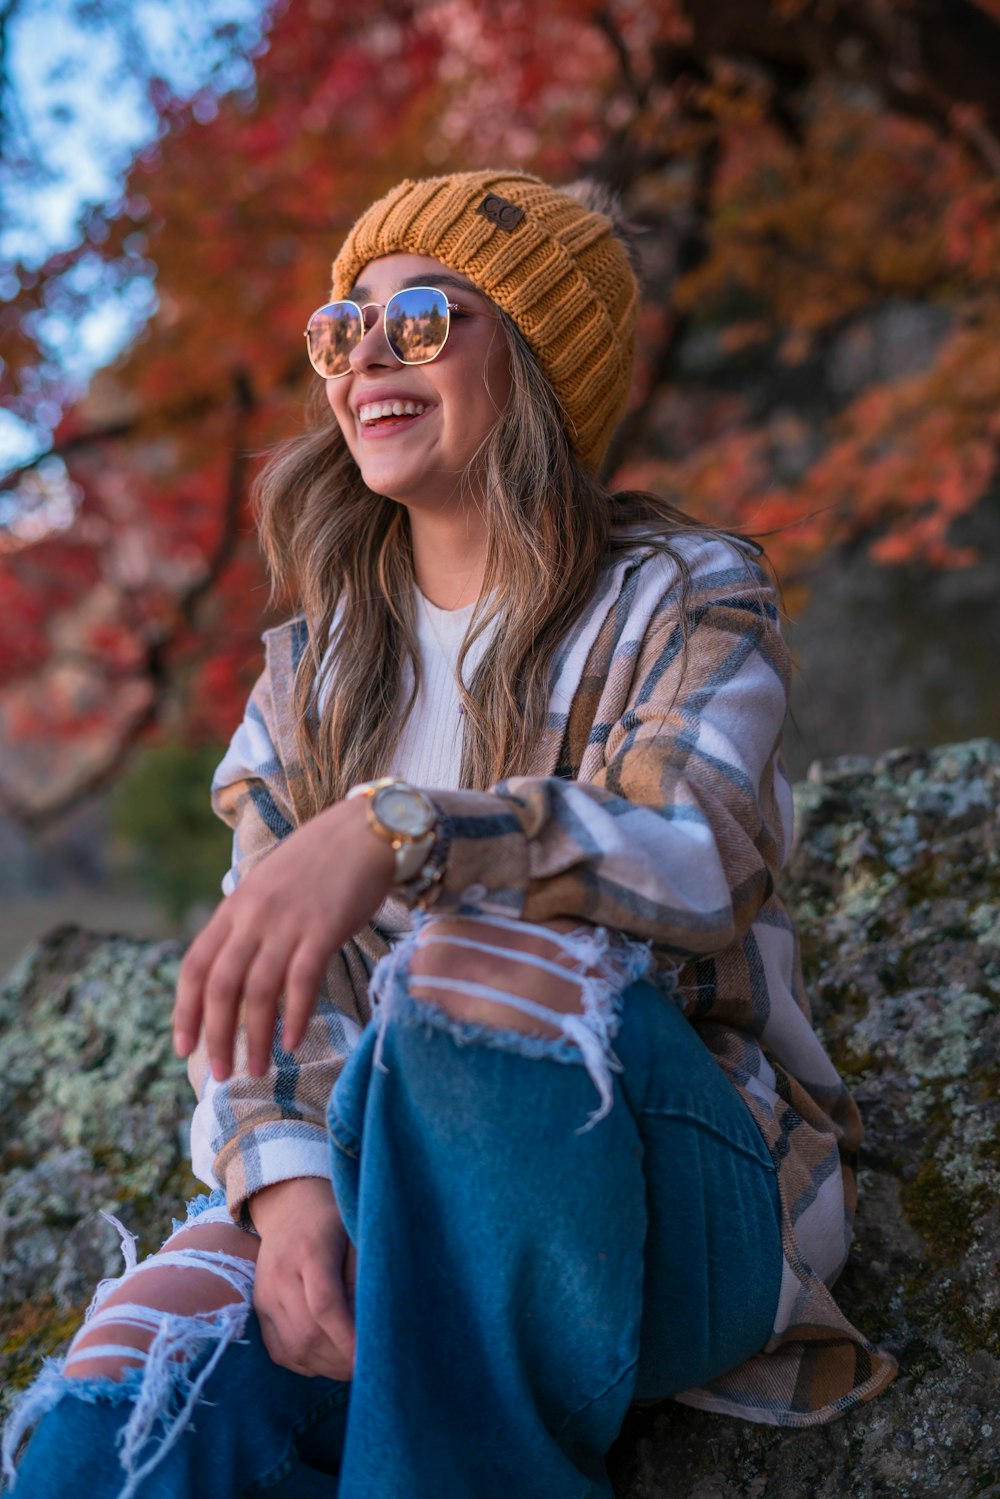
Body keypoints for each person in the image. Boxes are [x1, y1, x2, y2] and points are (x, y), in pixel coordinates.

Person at [2, 170, 896, 1499]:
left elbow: (694, 846)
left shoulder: (684, 592)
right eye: (339, 327)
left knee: (469, 958)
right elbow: (261, 989)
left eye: (421, 318)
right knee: (125, 1403)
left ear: (531, 363)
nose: (367, 350)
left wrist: (403, 826)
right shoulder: (311, 674)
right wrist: (291, 1190)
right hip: (384, 1194)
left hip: (663, 1197)